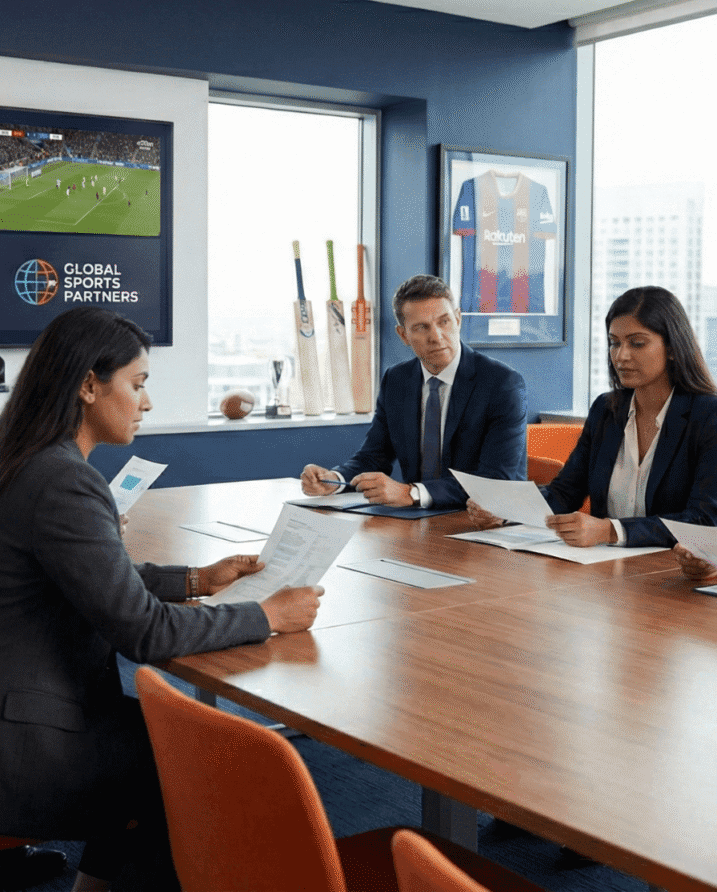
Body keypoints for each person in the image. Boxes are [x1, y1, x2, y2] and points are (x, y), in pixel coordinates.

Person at [0, 307, 323, 892]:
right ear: (88, 385)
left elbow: (92, 577)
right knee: (196, 765)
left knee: (166, 743)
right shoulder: (63, 481)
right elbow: (146, 634)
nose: (146, 403)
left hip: (19, 708)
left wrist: (197, 580)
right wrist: (267, 615)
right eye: (139, 384)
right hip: (30, 741)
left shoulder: (25, 459)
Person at [467, 286, 717, 547]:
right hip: (603, 572)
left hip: (670, 573)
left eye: (637, 343)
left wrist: (612, 531)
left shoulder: (708, 416)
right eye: (615, 343)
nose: (621, 356)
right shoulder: (607, 409)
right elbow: (565, 493)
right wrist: (506, 512)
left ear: (673, 347)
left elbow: (704, 519)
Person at [301, 274, 527, 509]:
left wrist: (412, 493)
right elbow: (373, 456)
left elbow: (496, 480)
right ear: (403, 335)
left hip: (482, 521)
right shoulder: (396, 381)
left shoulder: (502, 384)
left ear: (458, 319)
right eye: (421, 327)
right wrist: (334, 480)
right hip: (419, 521)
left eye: (444, 321)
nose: (436, 337)